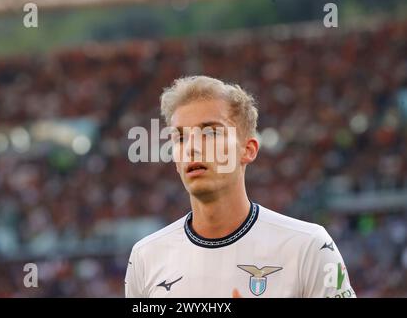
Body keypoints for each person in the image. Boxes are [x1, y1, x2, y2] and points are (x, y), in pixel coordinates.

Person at [125, 75, 356, 298]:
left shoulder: (309, 246)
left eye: (210, 133)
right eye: (181, 138)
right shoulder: (146, 257)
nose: (192, 147)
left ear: (248, 149)